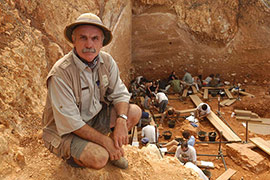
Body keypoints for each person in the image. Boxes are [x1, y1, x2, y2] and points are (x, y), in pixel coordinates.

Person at [42, 13, 142, 170]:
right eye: (83, 38)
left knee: (133, 112)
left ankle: (110, 150)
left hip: (92, 120)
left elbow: (120, 93)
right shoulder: (61, 74)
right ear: (74, 41)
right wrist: (105, 141)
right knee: (99, 158)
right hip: (65, 132)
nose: (89, 44)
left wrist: (121, 120)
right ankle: (79, 157)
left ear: (102, 42)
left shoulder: (107, 61)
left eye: (95, 38)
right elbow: (72, 123)